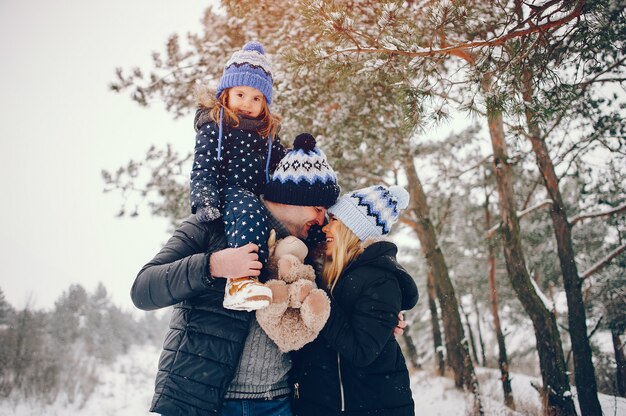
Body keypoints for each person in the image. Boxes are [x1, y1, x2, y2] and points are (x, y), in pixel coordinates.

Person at [131, 136, 341, 416]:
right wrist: (213, 265)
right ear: (292, 197)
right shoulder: (212, 226)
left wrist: (381, 316)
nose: (322, 219)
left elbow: (337, 304)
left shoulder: (310, 251)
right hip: (202, 402)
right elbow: (144, 289)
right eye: (318, 208)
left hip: (278, 403)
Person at [293, 184, 419, 416]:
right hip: (326, 405)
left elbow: (362, 351)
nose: (326, 228)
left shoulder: (380, 280)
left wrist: (319, 303)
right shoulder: (334, 274)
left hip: (371, 407)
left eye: (335, 222)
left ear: (353, 230)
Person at [190, 40, 292, 311]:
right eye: (240, 95)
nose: (247, 103)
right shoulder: (214, 127)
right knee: (248, 211)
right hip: (229, 192)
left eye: (256, 98)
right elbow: (204, 165)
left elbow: (281, 165)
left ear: (265, 103)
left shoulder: (267, 133)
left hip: (260, 194)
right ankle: (241, 282)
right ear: (226, 93)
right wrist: (205, 201)